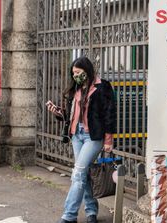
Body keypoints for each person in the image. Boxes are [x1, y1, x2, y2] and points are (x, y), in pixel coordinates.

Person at [46, 56, 117, 223]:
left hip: (93, 137)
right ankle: (91, 211)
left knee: (77, 174)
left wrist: (108, 140)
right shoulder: (75, 89)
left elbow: (109, 114)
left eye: (78, 72)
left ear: (87, 70)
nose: (75, 75)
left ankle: (69, 216)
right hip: (76, 135)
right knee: (82, 174)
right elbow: (70, 114)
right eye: (73, 73)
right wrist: (58, 112)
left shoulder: (103, 87)